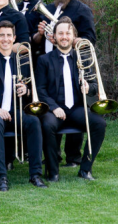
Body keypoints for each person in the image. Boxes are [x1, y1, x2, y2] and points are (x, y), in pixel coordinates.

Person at [31, 0, 96, 167]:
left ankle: (73, 157)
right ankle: (53, 156)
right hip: (48, 63)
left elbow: (90, 39)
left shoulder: (81, 10)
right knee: (53, 106)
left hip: (72, 61)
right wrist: (41, 34)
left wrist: (65, 38)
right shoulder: (48, 8)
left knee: (73, 100)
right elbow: (34, 41)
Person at [0, 21, 46, 191]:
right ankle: (1, 177)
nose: (5, 39)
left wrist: (26, 90)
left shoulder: (23, 60)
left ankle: (35, 175)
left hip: (15, 111)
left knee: (33, 122)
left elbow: (31, 87)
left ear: (14, 38)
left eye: (9, 35)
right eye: (2, 35)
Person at [37, 17, 105, 182]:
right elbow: (40, 90)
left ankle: (85, 169)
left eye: (68, 33)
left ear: (74, 36)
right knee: (47, 125)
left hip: (76, 109)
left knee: (100, 124)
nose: (64, 36)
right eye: (60, 33)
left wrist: (89, 88)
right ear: (54, 36)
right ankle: (52, 171)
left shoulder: (82, 57)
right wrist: (53, 107)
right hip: (55, 109)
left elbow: (95, 85)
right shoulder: (44, 60)